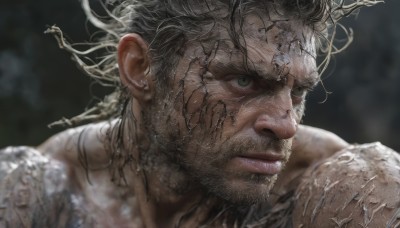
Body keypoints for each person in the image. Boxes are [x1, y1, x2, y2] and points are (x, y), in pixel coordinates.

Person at [1, 0, 399, 227]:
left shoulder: (350, 190)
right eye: (244, 81)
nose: (286, 124)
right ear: (141, 68)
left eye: (298, 91)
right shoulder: (43, 193)